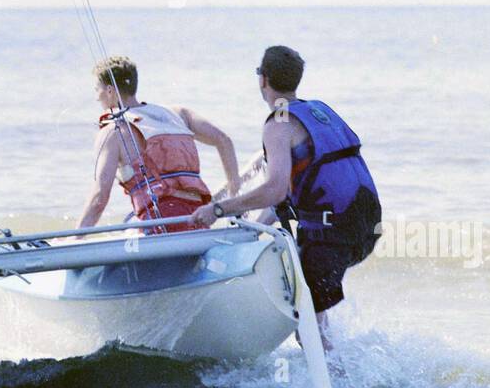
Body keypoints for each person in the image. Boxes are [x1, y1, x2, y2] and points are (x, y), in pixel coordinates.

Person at [188, 45, 381, 343]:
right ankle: (341, 370)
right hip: (367, 225)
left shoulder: (277, 123)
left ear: (263, 80)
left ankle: (335, 387)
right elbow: (292, 192)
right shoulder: (318, 110)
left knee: (306, 330)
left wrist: (217, 210)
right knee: (313, 313)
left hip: (331, 234)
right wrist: (255, 227)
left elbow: (275, 189)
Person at [77, 55, 241, 231]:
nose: (96, 97)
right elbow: (224, 141)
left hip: (159, 222)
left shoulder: (113, 131)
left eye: (97, 89)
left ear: (110, 90)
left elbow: (100, 197)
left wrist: (75, 237)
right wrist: (234, 197)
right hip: (198, 217)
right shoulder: (179, 114)